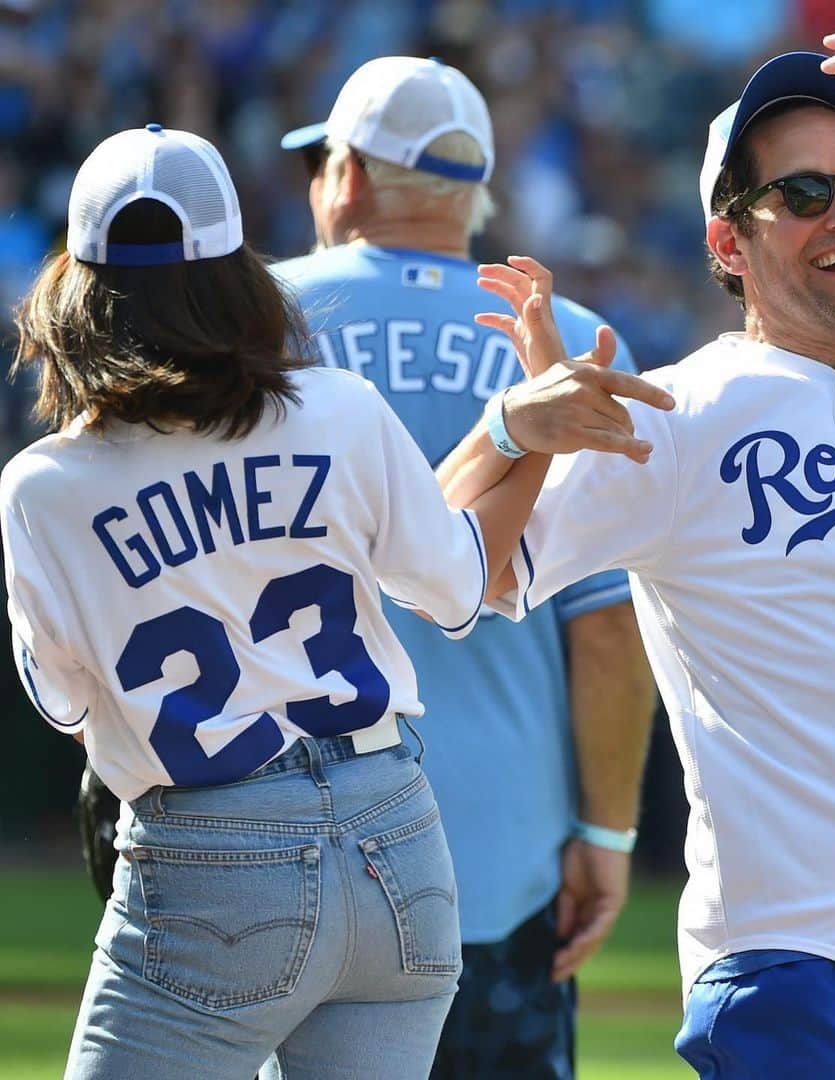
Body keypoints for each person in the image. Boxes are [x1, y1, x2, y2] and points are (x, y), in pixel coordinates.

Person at [437, 26, 835, 1079]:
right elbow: (450, 566)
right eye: (802, 195)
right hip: (804, 968)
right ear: (729, 245)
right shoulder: (674, 417)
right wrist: (513, 430)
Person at [2, 123, 670, 1080]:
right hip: (395, 839)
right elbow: (457, 584)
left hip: (208, 853)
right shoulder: (339, 407)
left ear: (76, 289)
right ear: (238, 273)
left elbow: (66, 706)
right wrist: (516, 434)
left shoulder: (44, 486)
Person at [274, 56, 656, 1077]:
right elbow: (610, 628)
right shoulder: (568, 340)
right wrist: (605, 836)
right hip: (500, 867)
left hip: (289, 857)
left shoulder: (252, 323)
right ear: (473, 193)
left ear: (346, 175)